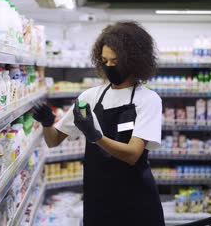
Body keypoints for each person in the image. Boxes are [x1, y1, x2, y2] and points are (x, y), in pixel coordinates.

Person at [33, 21, 165, 226]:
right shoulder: (91, 97)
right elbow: (53, 141)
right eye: (104, 60)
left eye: (115, 61)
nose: (109, 67)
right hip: (98, 199)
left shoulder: (148, 100)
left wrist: (96, 136)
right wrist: (48, 123)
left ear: (134, 62)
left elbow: (132, 154)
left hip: (136, 201)